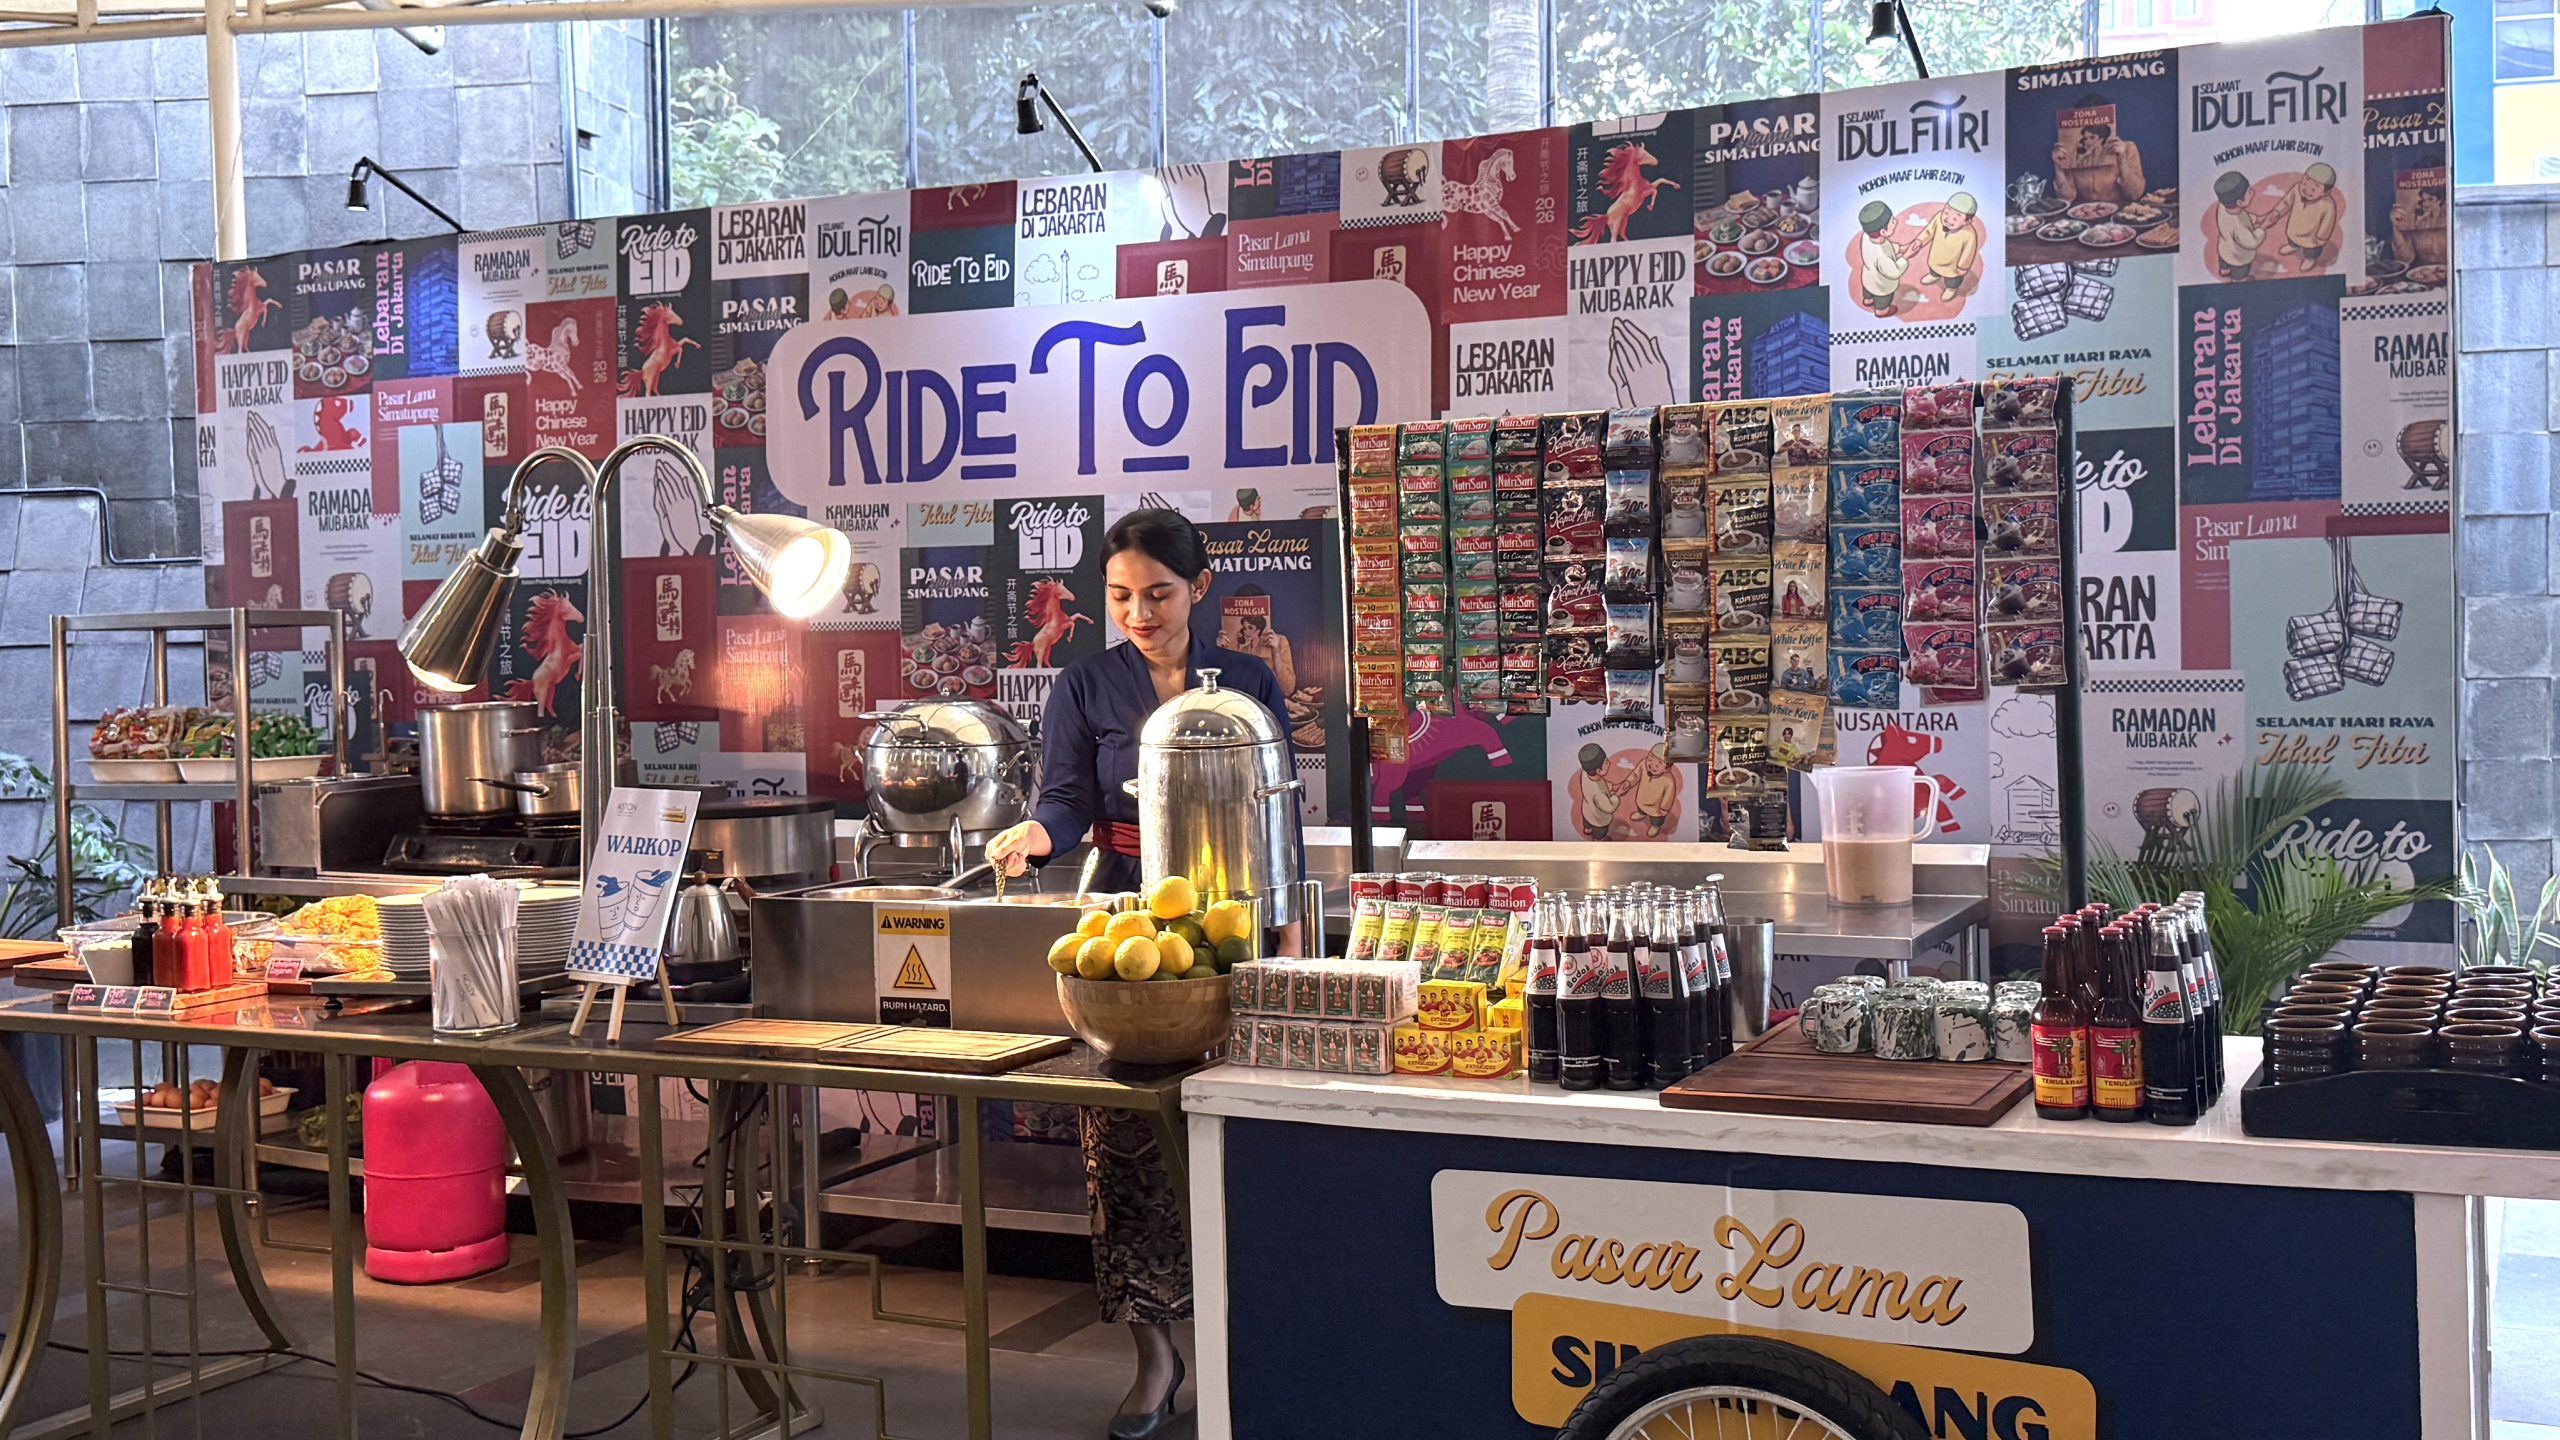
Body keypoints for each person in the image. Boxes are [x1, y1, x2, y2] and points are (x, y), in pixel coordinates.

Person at [983, 508, 1300, 1440]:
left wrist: (1285, 941)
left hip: (1235, 926)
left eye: (1158, 594)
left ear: (1198, 589)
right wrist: (1036, 834)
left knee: (1244, 1142)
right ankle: (1156, 1358)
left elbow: (1279, 811)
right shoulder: (1084, 684)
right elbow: (1065, 799)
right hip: (1134, 934)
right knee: (1127, 1153)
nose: (1138, 614)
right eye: (1120, 596)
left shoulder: (1247, 681)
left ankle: (1257, 1349)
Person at [2050, 106, 2147, 206]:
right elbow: (2066, 198)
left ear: (2102, 138)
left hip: (2120, 211)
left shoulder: (2127, 148)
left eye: (2092, 137)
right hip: (2085, 212)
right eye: (2085, 138)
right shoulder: (2076, 155)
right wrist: (2058, 167)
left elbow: (2135, 194)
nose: (2087, 142)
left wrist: (2122, 160)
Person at [2281, 161, 2341, 273]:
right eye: (2305, 183)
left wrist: (2321, 237)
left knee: (2312, 251)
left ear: (2326, 192)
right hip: (2294, 228)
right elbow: (2286, 202)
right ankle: (2293, 246)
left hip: (2312, 238)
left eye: (2314, 189)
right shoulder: (2296, 189)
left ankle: (2310, 259)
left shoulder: (2328, 205)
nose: (2306, 190)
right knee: (2292, 239)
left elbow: (2327, 222)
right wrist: (2278, 211)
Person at [1853, 201, 1909, 317]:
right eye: (1892, 221)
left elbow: (1886, 246)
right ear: (1883, 231)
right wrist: (1906, 256)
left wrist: (1899, 248)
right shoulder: (1882, 257)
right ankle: (1881, 311)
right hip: (1881, 286)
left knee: (1868, 290)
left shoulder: (1866, 237)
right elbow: (1894, 272)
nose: (1896, 221)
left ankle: (1868, 300)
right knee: (1883, 299)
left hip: (1868, 278)